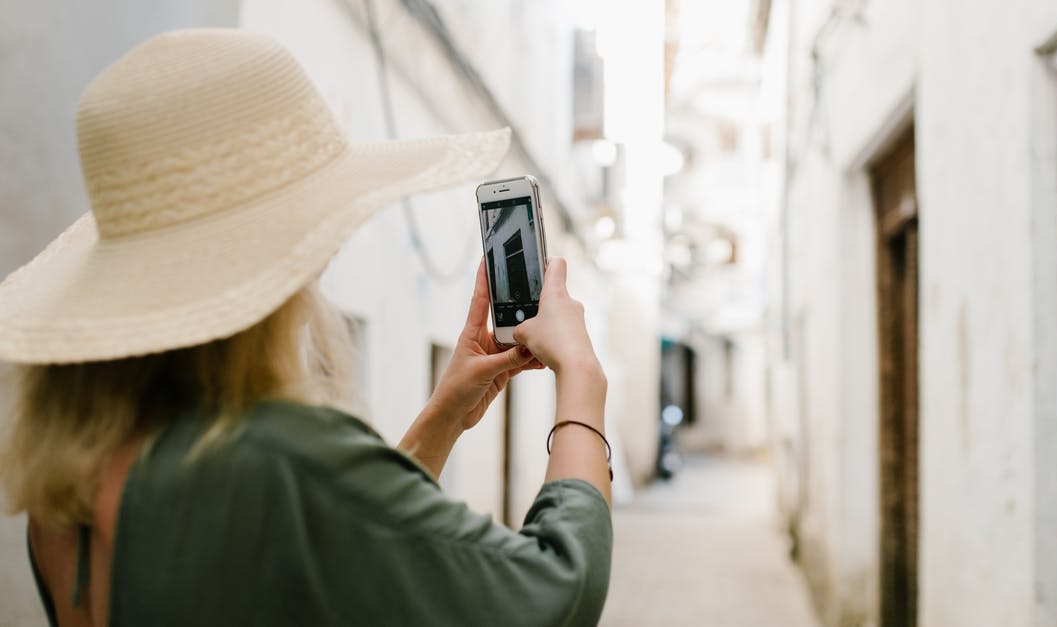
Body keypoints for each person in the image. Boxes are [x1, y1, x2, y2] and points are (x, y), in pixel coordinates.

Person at [0, 29, 612, 627]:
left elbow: (340, 542)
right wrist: (581, 379)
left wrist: (444, 414)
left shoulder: (71, 473)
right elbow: (557, 590)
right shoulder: (278, 459)